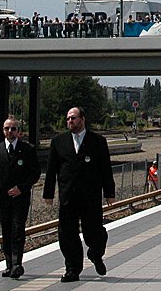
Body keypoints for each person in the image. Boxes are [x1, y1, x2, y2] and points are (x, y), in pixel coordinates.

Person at [43, 106, 116, 283]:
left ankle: (95, 254)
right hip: (68, 197)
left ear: (83, 120)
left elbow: (105, 169)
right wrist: (48, 193)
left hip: (90, 197)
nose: (70, 121)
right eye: (68, 118)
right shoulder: (58, 142)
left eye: (74, 118)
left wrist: (109, 193)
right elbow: (51, 170)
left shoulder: (97, 141)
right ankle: (72, 269)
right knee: (67, 234)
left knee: (95, 232)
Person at [0, 117, 41, 279]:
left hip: (20, 198)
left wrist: (21, 188)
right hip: (3, 199)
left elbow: (35, 173)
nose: (10, 131)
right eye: (7, 128)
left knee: (17, 229)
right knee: (6, 230)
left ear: (19, 131)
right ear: (3, 130)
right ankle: (9, 264)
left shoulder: (28, 149)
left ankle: (17, 263)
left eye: (13, 129)